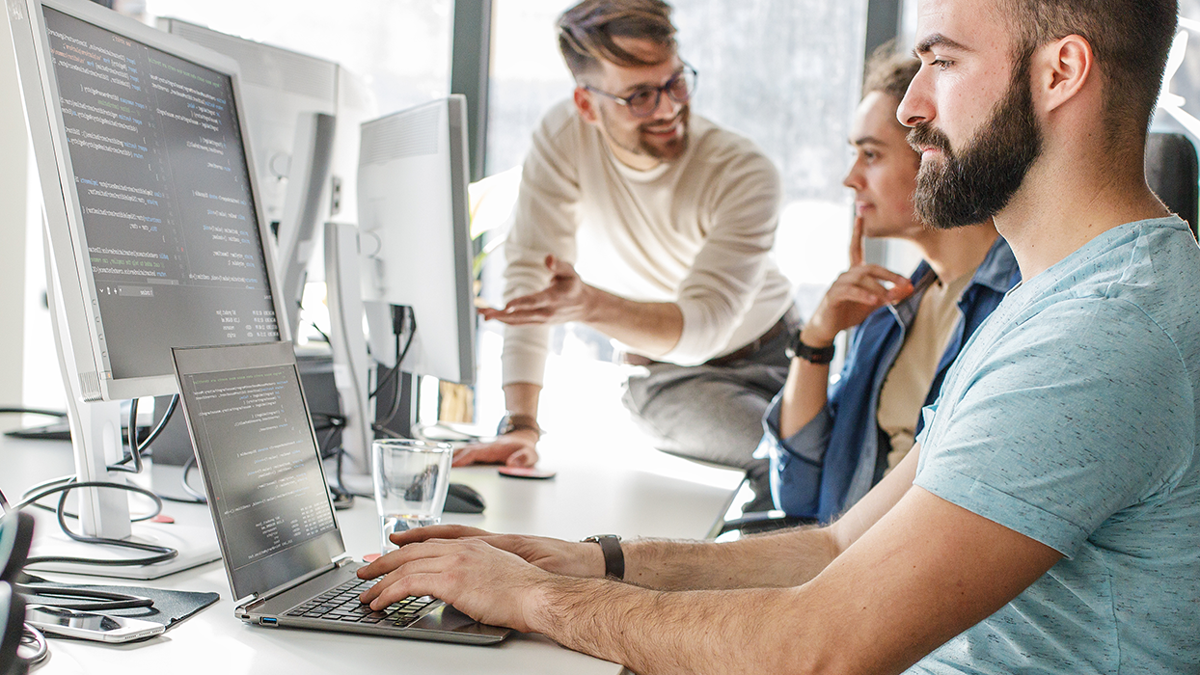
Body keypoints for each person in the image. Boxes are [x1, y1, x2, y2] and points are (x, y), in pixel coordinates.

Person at [357, 0, 1200, 672]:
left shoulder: (1103, 334)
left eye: (942, 61)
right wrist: (575, 561)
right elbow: (835, 547)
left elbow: (817, 647)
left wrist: (531, 600)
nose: (911, 105)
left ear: (1061, 72)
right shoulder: (1047, 300)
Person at [454, 0, 796, 510]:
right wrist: (522, 425)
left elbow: (708, 324)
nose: (667, 109)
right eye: (638, 96)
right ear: (587, 105)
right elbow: (532, 278)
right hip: (670, 377)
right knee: (793, 455)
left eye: (675, 82)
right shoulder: (563, 137)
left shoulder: (742, 170)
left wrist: (588, 305)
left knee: (852, 453)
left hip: (782, 348)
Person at [758, 49, 1020, 522]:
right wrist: (816, 340)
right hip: (842, 563)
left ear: (933, 153)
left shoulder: (1017, 305)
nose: (850, 178)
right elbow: (796, 491)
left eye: (871, 155)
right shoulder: (889, 309)